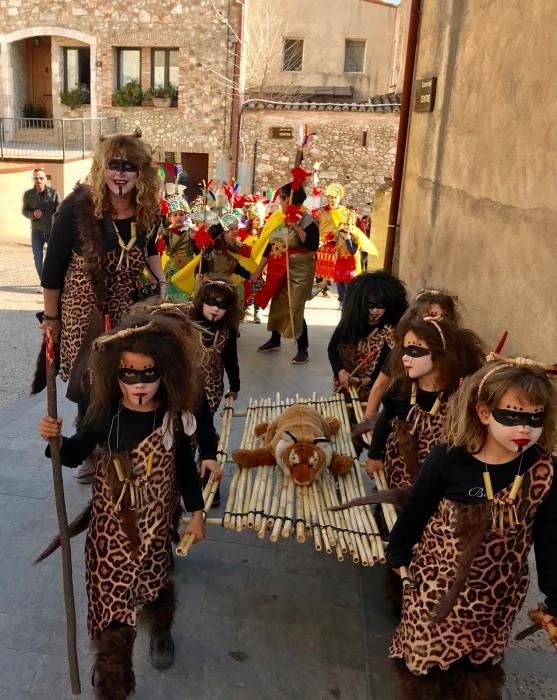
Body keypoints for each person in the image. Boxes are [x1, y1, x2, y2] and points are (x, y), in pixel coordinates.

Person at [37, 314, 222, 699]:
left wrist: (198, 514)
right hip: (110, 534)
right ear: (113, 374)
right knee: (113, 614)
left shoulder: (173, 418)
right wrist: (54, 439)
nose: (138, 384)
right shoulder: (105, 415)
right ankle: (113, 684)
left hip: (155, 527)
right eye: (128, 374)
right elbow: (72, 455)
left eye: (148, 373)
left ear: (166, 373)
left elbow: (187, 472)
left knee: (153, 587)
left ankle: (160, 628)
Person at [387, 357, 557, 700]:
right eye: (511, 415)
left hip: (497, 594)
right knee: (424, 660)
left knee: (477, 667)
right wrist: (398, 550)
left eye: (534, 418)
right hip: (436, 584)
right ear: (483, 412)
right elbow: (416, 510)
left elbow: (550, 538)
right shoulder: (449, 458)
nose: (524, 428)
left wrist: (555, 597)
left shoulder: (544, 470)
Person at [39, 133, 166, 405]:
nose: (120, 173)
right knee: (91, 391)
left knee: (125, 387)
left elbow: (150, 246)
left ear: (141, 172)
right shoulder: (76, 208)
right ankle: (89, 443)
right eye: (113, 164)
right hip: (83, 314)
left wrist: (162, 283)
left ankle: (117, 444)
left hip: (127, 314)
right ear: (101, 168)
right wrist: (52, 320)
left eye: (128, 166)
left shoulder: (147, 210)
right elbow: (51, 270)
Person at [365, 316, 484, 487]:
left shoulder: (460, 392)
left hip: (440, 476)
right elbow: (385, 419)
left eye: (415, 351)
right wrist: (374, 456)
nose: (405, 358)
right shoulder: (402, 387)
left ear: (441, 352)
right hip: (402, 467)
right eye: (406, 350)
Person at [364, 288, 462, 420]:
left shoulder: (458, 356)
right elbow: (380, 385)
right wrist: (367, 422)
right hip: (404, 423)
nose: (434, 323)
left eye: (441, 318)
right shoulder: (401, 352)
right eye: (429, 316)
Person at [252, 182, 319, 364]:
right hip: (280, 265)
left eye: (281, 197)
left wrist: (295, 226)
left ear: (287, 199)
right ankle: (275, 339)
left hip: (300, 270)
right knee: (279, 303)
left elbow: (312, 245)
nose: (279, 201)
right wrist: (259, 270)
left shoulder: (308, 220)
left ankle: (302, 348)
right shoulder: (278, 219)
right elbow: (270, 246)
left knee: (295, 306)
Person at [328, 271, 408, 401]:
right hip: (344, 383)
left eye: (380, 306)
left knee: (366, 417)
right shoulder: (349, 324)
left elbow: (386, 362)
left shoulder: (389, 331)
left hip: (371, 387)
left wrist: (369, 380)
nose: (375, 311)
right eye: (370, 306)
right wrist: (340, 371)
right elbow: (332, 349)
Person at [315, 183, 377, 307]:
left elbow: (358, 230)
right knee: (335, 276)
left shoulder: (345, 212)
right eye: (330, 197)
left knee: (348, 278)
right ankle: (331, 292)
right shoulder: (320, 212)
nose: (333, 200)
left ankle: (348, 300)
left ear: (340, 198)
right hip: (327, 245)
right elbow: (317, 228)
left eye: (335, 197)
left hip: (345, 249)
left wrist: (352, 238)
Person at [22, 167, 61, 281]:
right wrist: (33, 214)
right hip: (37, 232)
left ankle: (56, 281)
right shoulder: (28, 195)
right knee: (38, 260)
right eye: (36, 178)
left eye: (41, 177)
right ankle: (44, 282)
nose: (38, 180)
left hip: (51, 232)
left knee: (55, 259)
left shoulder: (54, 193)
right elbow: (25, 211)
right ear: (33, 179)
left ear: (45, 179)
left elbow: (61, 208)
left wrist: (58, 213)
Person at [161, 192, 197, 303]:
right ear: (169, 218)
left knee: (187, 298)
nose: (178, 217)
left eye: (181, 214)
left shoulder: (192, 232)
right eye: (175, 215)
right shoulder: (166, 233)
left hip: (187, 269)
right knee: (172, 299)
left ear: (185, 216)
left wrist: (199, 239)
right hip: (173, 269)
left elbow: (198, 250)